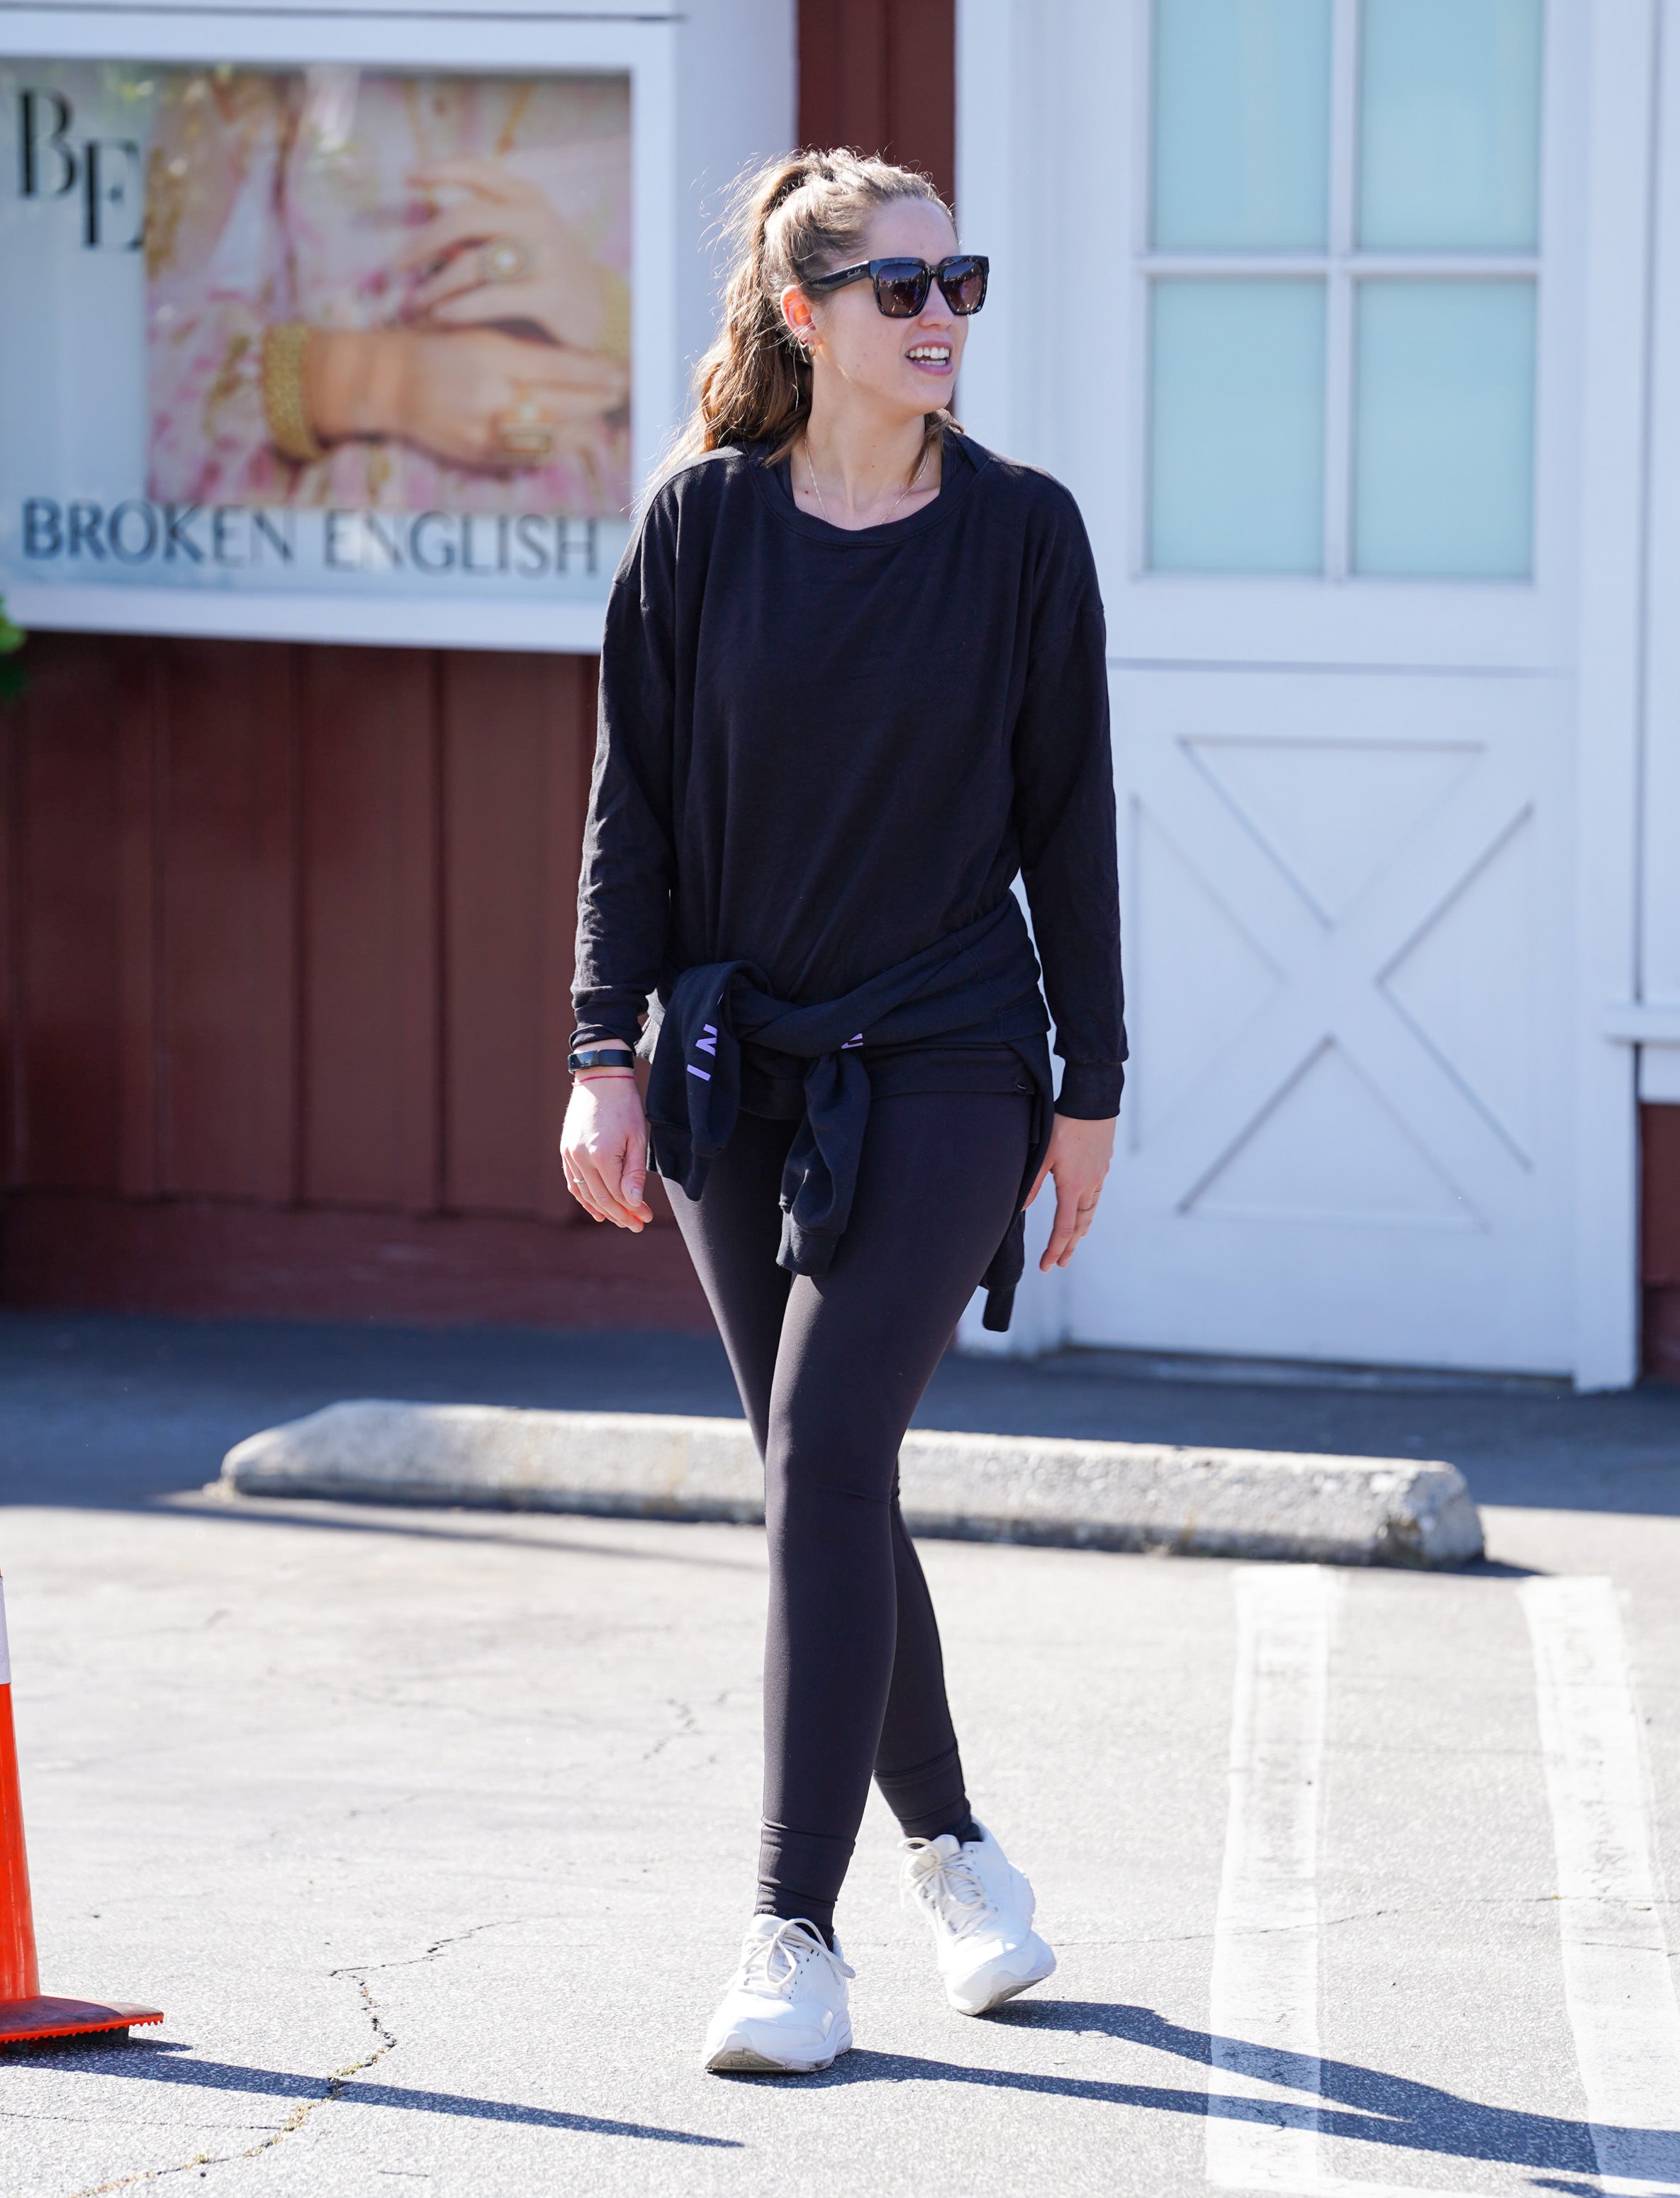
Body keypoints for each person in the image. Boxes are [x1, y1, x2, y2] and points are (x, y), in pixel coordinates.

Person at [562, 147, 1125, 2075]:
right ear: (803, 317)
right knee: (822, 1469)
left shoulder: (1022, 537)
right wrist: (596, 1053)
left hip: (957, 1048)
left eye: (957, 277)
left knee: (817, 1444)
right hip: (739, 1056)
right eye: (899, 286)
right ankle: (955, 1849)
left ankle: (790, 1933)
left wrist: (1090, 1093)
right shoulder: (702, 528)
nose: (941, 311)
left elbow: (1074, 826)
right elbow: (628, 808)